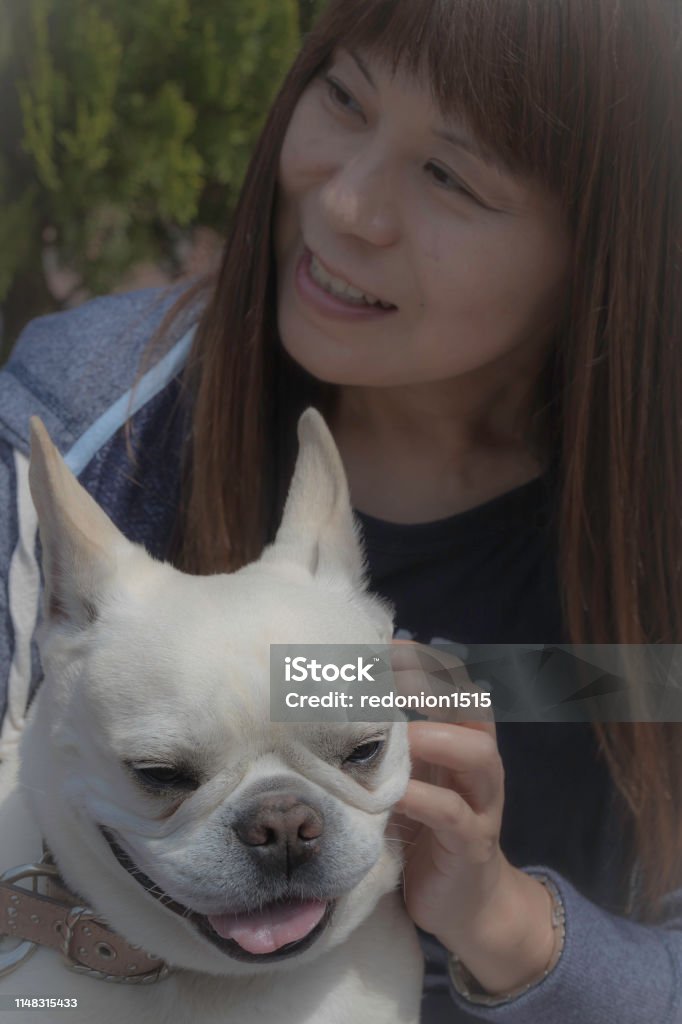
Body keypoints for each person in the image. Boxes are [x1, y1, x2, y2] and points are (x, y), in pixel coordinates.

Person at [0, 0, 680, 1020]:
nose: (351, 203)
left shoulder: (649, 536)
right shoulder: (91, 422)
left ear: (611, 239)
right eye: (343, 97)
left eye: (449, 175)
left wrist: (506, 922)